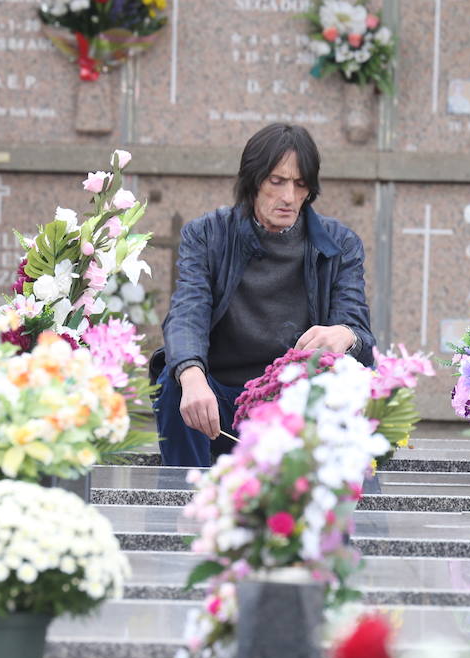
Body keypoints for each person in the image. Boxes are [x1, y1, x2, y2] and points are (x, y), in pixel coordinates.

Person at [157, 123, 375, 467]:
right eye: (277, 181)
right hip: (221, 399)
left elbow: (360, 331)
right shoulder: (206, 234)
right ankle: (184, 504)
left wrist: (344, 335)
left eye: (300, 184)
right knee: (176, 381)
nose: (289, 197)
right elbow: (188, 311)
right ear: (253, 181)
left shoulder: (340, 244)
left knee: (347, 390)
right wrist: (191, 374)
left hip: (295, 400)